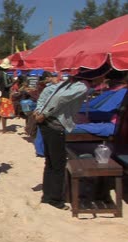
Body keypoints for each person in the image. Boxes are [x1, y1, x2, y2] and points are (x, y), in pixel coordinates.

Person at [33, 73, 97, 210]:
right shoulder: (82, 87)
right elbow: (59, 97)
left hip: (47, 124)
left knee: (50, 162)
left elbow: (49, 93)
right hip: (54, 125)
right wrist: (44, 113)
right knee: (58, 164)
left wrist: (39, 111)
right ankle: (55, 200)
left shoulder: (69, 83)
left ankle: (47, 196)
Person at [0, 58, 16, 133]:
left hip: (0, 95)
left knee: (0, 113)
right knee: (4, 113)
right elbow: (7, 85)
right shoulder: (4, 74)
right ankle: (4, 129)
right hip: (5, 95)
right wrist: (14, 82)